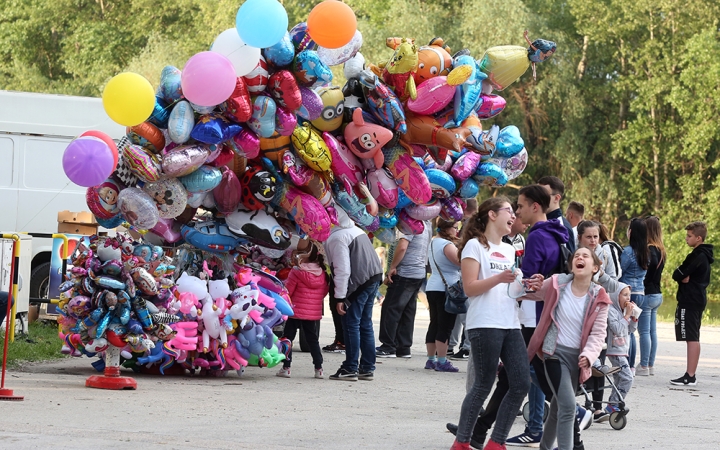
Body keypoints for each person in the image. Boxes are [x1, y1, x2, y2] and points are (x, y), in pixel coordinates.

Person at [450, 197, 542, 450]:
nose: (514, 216)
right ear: (492, 215)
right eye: (508, 211)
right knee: (483, 385)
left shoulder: (510, 249)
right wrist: (500, 278)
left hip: (511, 324)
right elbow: (470, 288)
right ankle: (462, 443)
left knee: (521, 382)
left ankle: (496, 442)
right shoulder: (474, 246)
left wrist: (528, 286)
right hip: (485, 324)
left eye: (514, 212)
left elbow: (513, 290)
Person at [522, 247, 610, 450]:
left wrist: (588, 355)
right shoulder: (556, 283)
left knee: (557, 407)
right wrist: (525, 284)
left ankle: (545, 447)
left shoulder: (600, 297)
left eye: (585, 256)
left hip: (577, 360)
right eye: (576, 256)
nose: (579, 258)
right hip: (554, 354)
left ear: (595, 267)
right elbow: (528, 292)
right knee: (569, 407)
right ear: (571, 265)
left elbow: (598, 334)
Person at [506, 185, 569, 447]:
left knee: (528, 370)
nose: (517, 211)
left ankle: (571, 415)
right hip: (546, 309)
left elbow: (529, 278)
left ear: (535, 206)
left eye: (520, 206)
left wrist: (510, 284)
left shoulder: (537, 236)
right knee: (534, 370)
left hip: (533, 312)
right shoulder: (558, 233)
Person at [325, 210, 383, 381]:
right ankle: (367, 367)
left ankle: (350, 367)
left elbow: (342, 269)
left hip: (358, 283)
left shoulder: (337, 238)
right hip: (373, 278)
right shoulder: (357, 230)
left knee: (351, 324)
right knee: (365, 324)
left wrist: (340, 297)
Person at [377, 220, 432, 358]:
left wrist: (392, 267)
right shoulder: (426, 223)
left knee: (391, 308)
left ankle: (388, 346)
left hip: (406, 271)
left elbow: (402, 247)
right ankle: (404, 347)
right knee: (408, 310)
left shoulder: (409, 223)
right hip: (418, 272)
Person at [670, 221, 714, 386]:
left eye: (689, 236)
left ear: (699, 238)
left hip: (691, 300)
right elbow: (681, 275)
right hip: (696, 298)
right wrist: (682, 277)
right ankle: (690, 374)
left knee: (692, 337)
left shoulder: (697, 256)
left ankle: (690, 375)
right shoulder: (704, 255)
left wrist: (682, 276)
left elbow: (678, 273)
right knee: (692, 336)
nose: (686, 239)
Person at [277, 243, 330, 379]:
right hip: (312, 314)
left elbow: (288, 291)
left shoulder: (296, 271)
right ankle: (319, 368)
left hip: (295, 311)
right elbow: (323, 292)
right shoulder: (322, 273)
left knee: (288, 338)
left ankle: (286, 367)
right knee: (313, 340)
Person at [595, 278, 637, 421]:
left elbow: (630, 330)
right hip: (615, 351)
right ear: (616, 295)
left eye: (629, 295)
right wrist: (626, 316)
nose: (628, 298)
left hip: (623, 349)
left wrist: (634, 318)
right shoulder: (611, 311)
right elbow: (618, 329)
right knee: (628, 377)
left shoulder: (623, 310)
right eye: (624, 294)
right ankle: (613, 404)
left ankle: (614, 404)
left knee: (620, 379)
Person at [426, 219, 462, 372]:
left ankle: (431, 359)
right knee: (445, 325)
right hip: (447, 287)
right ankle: (442, 360)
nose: (457, 231)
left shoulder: (433, 242)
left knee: (434, 323)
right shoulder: (447, 245)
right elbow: (460, 262)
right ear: (447, 229)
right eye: (455, 228)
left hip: (433, 285)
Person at [449, 199, 479, 359]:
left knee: (465, 314)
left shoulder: (470, 227)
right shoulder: (475, 226)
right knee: (463, 313)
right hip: (468, 274)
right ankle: (460, 345)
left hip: (466, 274)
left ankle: (466, 346)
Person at [618, 218, 649, 375]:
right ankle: (632, 365)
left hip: (628, 292)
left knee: (626, 329)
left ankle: (627, 363)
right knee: (633, 330)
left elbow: (620, 271)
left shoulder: (628, 251)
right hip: (641, 292)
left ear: (631, 232)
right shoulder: (646, 252)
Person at [638, 216, 666, 376]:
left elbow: (650, 267)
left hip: (647, 293)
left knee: (644, 332)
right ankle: (650, 364)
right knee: (652, 332)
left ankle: (643, 366)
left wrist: (644, 279)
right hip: (657, 293)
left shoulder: (649, 250)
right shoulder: (661, 249)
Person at [537, 176, 575, 253]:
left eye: (543, 195)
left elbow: (567, 262)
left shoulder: (561, 227)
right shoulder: (542, 221)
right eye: (536, 195)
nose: (538, 199)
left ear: (556, 198)